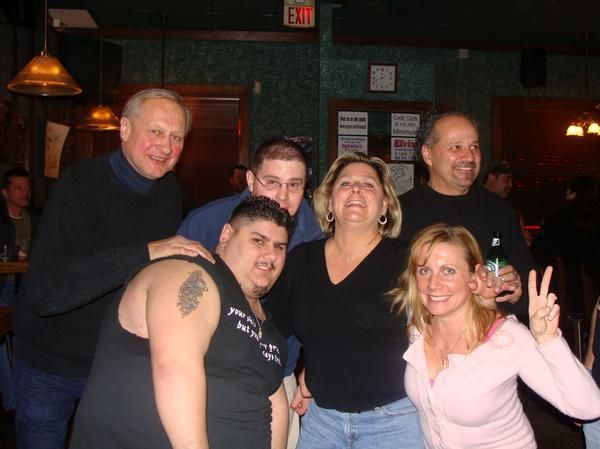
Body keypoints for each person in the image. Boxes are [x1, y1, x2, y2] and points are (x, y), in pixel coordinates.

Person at [12, 88, 210, 449]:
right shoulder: (80, 184)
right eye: (156, 131)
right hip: (49, 362)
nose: (166, 146)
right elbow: (46, 292)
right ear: (124, 129)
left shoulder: (170, 190)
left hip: (113, 364)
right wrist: (145, 252)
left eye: (177, 137)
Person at [70, 196, 293, 449]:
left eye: (280, 247)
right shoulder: (191, 274)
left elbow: (274, 401)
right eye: (258, 240)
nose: (271, 255)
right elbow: (175, 367)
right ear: (226, 235)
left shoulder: (268, 326)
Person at [390, 223, 600, 449]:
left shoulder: (507, 339)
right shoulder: (418, 329)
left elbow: (588, 408)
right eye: (424, 270)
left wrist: (549, 340)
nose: (433, 284)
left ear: (474, 276)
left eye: (448, 270)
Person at [264, 151, 422, 449]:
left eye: (368, 185)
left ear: (384, 204)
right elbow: (270, 328)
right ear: (329, 201)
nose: (356, 190)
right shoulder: (301, 260)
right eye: (346, 183)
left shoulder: (409, 259)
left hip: (394, 422)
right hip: (323, 421)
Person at [178, 137, 322, 449]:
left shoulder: (312, 238)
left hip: (277, 375)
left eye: (294, 185)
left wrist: (312, 371)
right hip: (205, 373)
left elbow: (317, 312)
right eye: (272, 182)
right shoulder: (207, 223)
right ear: (250, 180)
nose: (282, 196)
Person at [400, 111, 535, 313]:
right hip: (422, 327)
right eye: (456, 147)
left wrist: (517, 290)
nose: (470, 157)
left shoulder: (498, 209)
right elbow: (390, 290)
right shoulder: (401, 212)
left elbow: (530, 281)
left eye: (474, 147)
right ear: (428, 154)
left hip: (488, 326)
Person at [0, 168, 35, 412]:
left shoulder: (35, 218)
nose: (25, 192)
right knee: (4, 341)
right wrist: (15, 252)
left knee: (22, 338)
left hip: (28, 285)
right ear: (5, 192)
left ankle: (20, 395)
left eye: (27, 187)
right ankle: (13, 399)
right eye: (18, 187)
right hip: (5, 283)